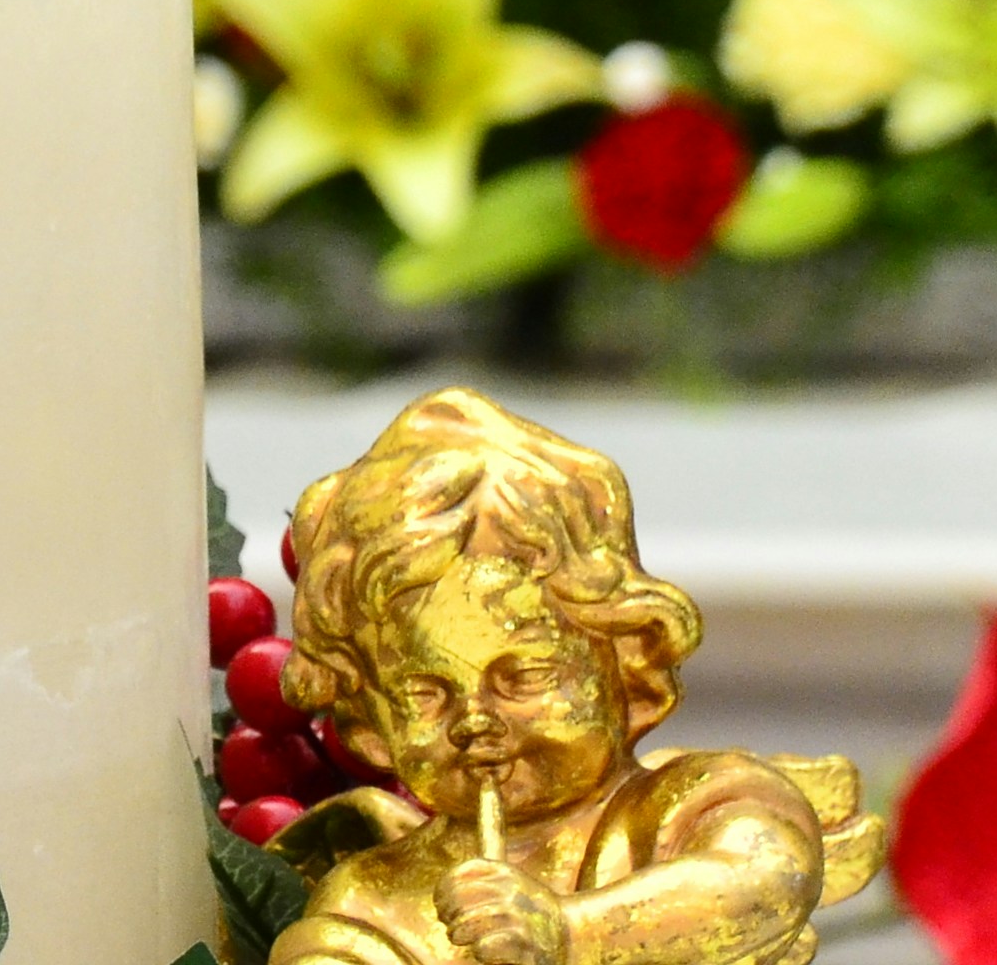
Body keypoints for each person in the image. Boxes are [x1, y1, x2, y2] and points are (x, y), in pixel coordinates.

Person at [264, 388, 882, 965]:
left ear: (625, 663)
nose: (475, 721)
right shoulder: (372, 902)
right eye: (425, 694)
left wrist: (568, 931)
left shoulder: (686, 808)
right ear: (372, 726)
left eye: (524, 676)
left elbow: (767, 880)